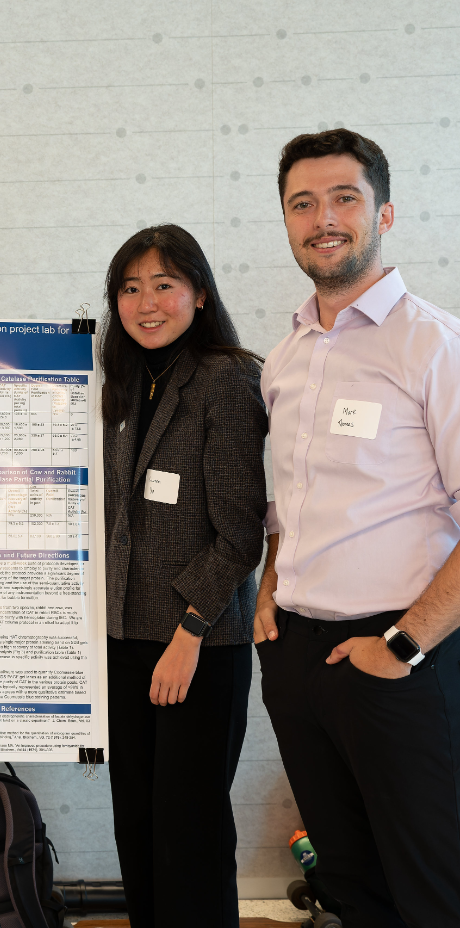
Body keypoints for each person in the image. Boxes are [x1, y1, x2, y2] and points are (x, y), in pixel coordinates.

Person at [254, 129, 460, 924]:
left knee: (432, 883)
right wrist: (271, 590)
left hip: (401, 655)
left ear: (385, 213)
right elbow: (293, 500)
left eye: (344, 198)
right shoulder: (286, 357)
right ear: (287, 222)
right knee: (348, 884)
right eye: (302, 203)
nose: (323, 218)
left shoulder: (432, 345)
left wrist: (404, 645)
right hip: (299, 660)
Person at [101, 225, 268, 927]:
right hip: (124, 637)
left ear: (199, 294)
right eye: (131, 288)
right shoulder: (123, 382)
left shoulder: (227, 380)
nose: (146, 302)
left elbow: (241, 533)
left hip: (198, 644)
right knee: (137, 827)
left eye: (164, 284)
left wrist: (189, 631)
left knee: (189, 833)